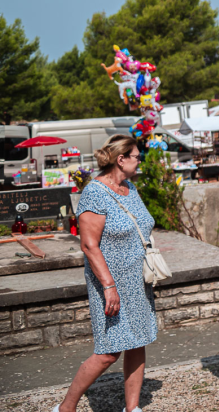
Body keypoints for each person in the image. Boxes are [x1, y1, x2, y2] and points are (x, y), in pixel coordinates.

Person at [55, 135, 157, 412]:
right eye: (136, 156)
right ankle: (66, 407)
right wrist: (109, 285)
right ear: (121, 159)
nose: (140, 160)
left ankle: (132, 408)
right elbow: (89, 245)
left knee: (138, 341)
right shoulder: (95, 193)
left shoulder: (129, 188)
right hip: (110, 282)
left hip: (137, 279)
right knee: (108, 352)